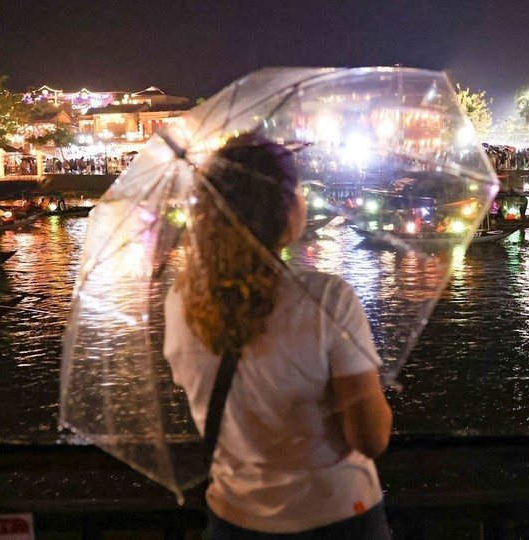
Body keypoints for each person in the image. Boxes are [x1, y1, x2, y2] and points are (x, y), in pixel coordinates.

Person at [163, 136, 392, 538]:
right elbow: (370, 437)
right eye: (298, 189)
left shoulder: (180, 301)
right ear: (283, 208)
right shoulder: (327, 299)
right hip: (337, 516)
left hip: (235, 517)